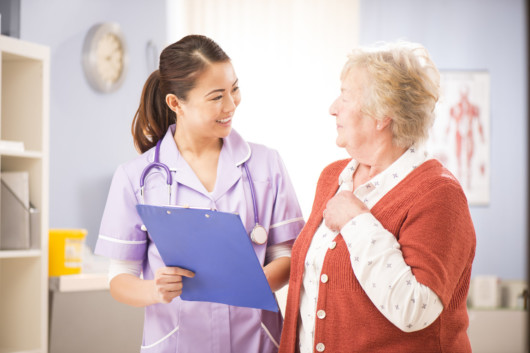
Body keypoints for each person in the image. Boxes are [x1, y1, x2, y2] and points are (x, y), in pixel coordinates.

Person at [95, 34, 305, 353]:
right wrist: (156, 290)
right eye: (216, 96)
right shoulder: (135, 177)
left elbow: (287, 257)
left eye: (234, 89)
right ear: (175, 103)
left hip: (257, 343)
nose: (231, 105)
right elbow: (120, 278)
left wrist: (244, 283)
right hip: (178, 343)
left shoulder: (266, 164)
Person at [279, 41, 476, 353]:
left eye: (345, 96)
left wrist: (357, 222)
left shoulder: (439, 195)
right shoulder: (333, 177)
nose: (333, 107)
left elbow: (414, 309)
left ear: (382, 113)